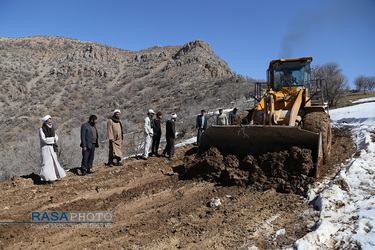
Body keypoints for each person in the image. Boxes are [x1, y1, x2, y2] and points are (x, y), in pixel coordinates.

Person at [39, 115, 66, 182]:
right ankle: (46, 178)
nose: (50, 123)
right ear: (45, 122)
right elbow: (44, 139)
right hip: (46, 149)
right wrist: (52, 139)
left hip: (52, 148)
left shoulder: (52, 129)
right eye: (49, 122)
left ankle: (54, 177)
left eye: (51, 122)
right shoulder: (41, 129)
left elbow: (56, 137)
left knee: (54, 162)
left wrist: (54, 139)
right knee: (46, 164)